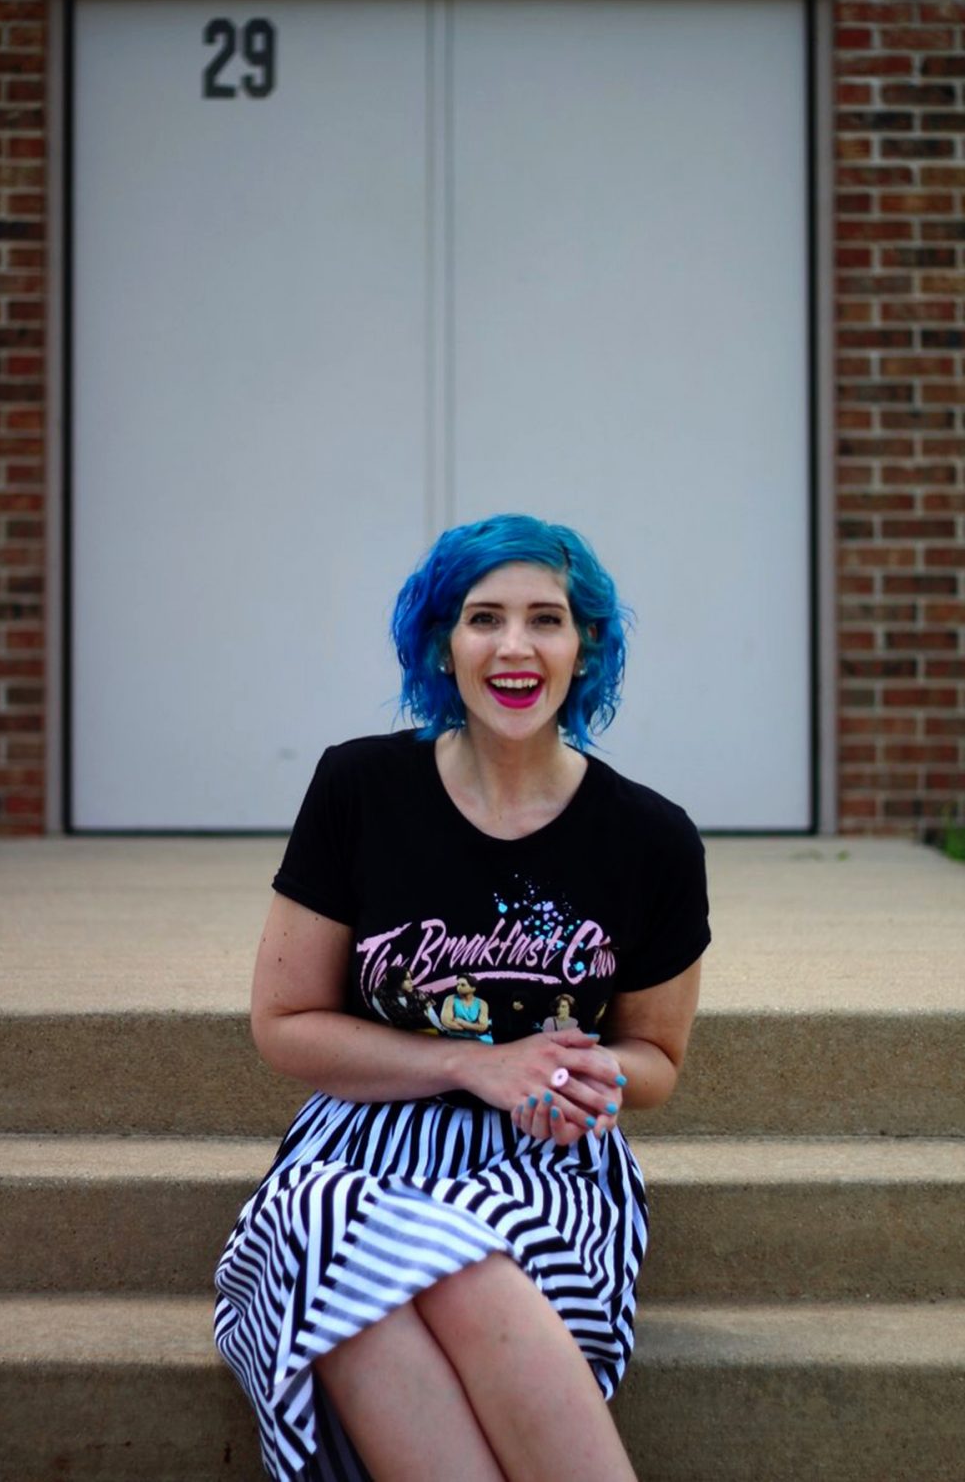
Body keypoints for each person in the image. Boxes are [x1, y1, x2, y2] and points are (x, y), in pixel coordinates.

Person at [214, 514, 710, 1482]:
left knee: (434, 1263)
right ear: (443, 643)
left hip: (547, 1164)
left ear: (585, 646)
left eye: (544, 619)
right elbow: (284, 1024)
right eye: (484, 617)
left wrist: (580, 1077)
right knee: (322, 1222)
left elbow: (654, 1060)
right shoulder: (360, 787)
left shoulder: (650, 839)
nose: (514, 645)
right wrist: (470, 1063)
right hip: (362, 1142)